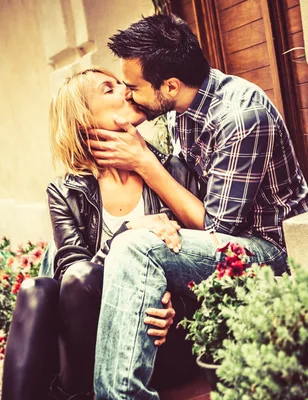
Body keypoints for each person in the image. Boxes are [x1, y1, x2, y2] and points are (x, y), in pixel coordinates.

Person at [89, 14, 308, 399]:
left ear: (170, 86)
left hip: (269, 252)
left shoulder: (240, 117)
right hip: (220, 243)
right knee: (125, 248)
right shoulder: (183, 110)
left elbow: (219, 233)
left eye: (132, 87)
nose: (127, 95)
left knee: (133, 246)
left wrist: (146, 164)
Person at [1, 67, 202, 400]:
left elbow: (207, 257)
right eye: (108, 89)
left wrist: (175, 310)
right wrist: (126, 232)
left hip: (157, 340)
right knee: (37, 289)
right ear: (83, 119)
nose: (125, 90)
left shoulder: (172, 171)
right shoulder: (66, 192)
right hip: (91, 342)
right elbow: (71, 279)